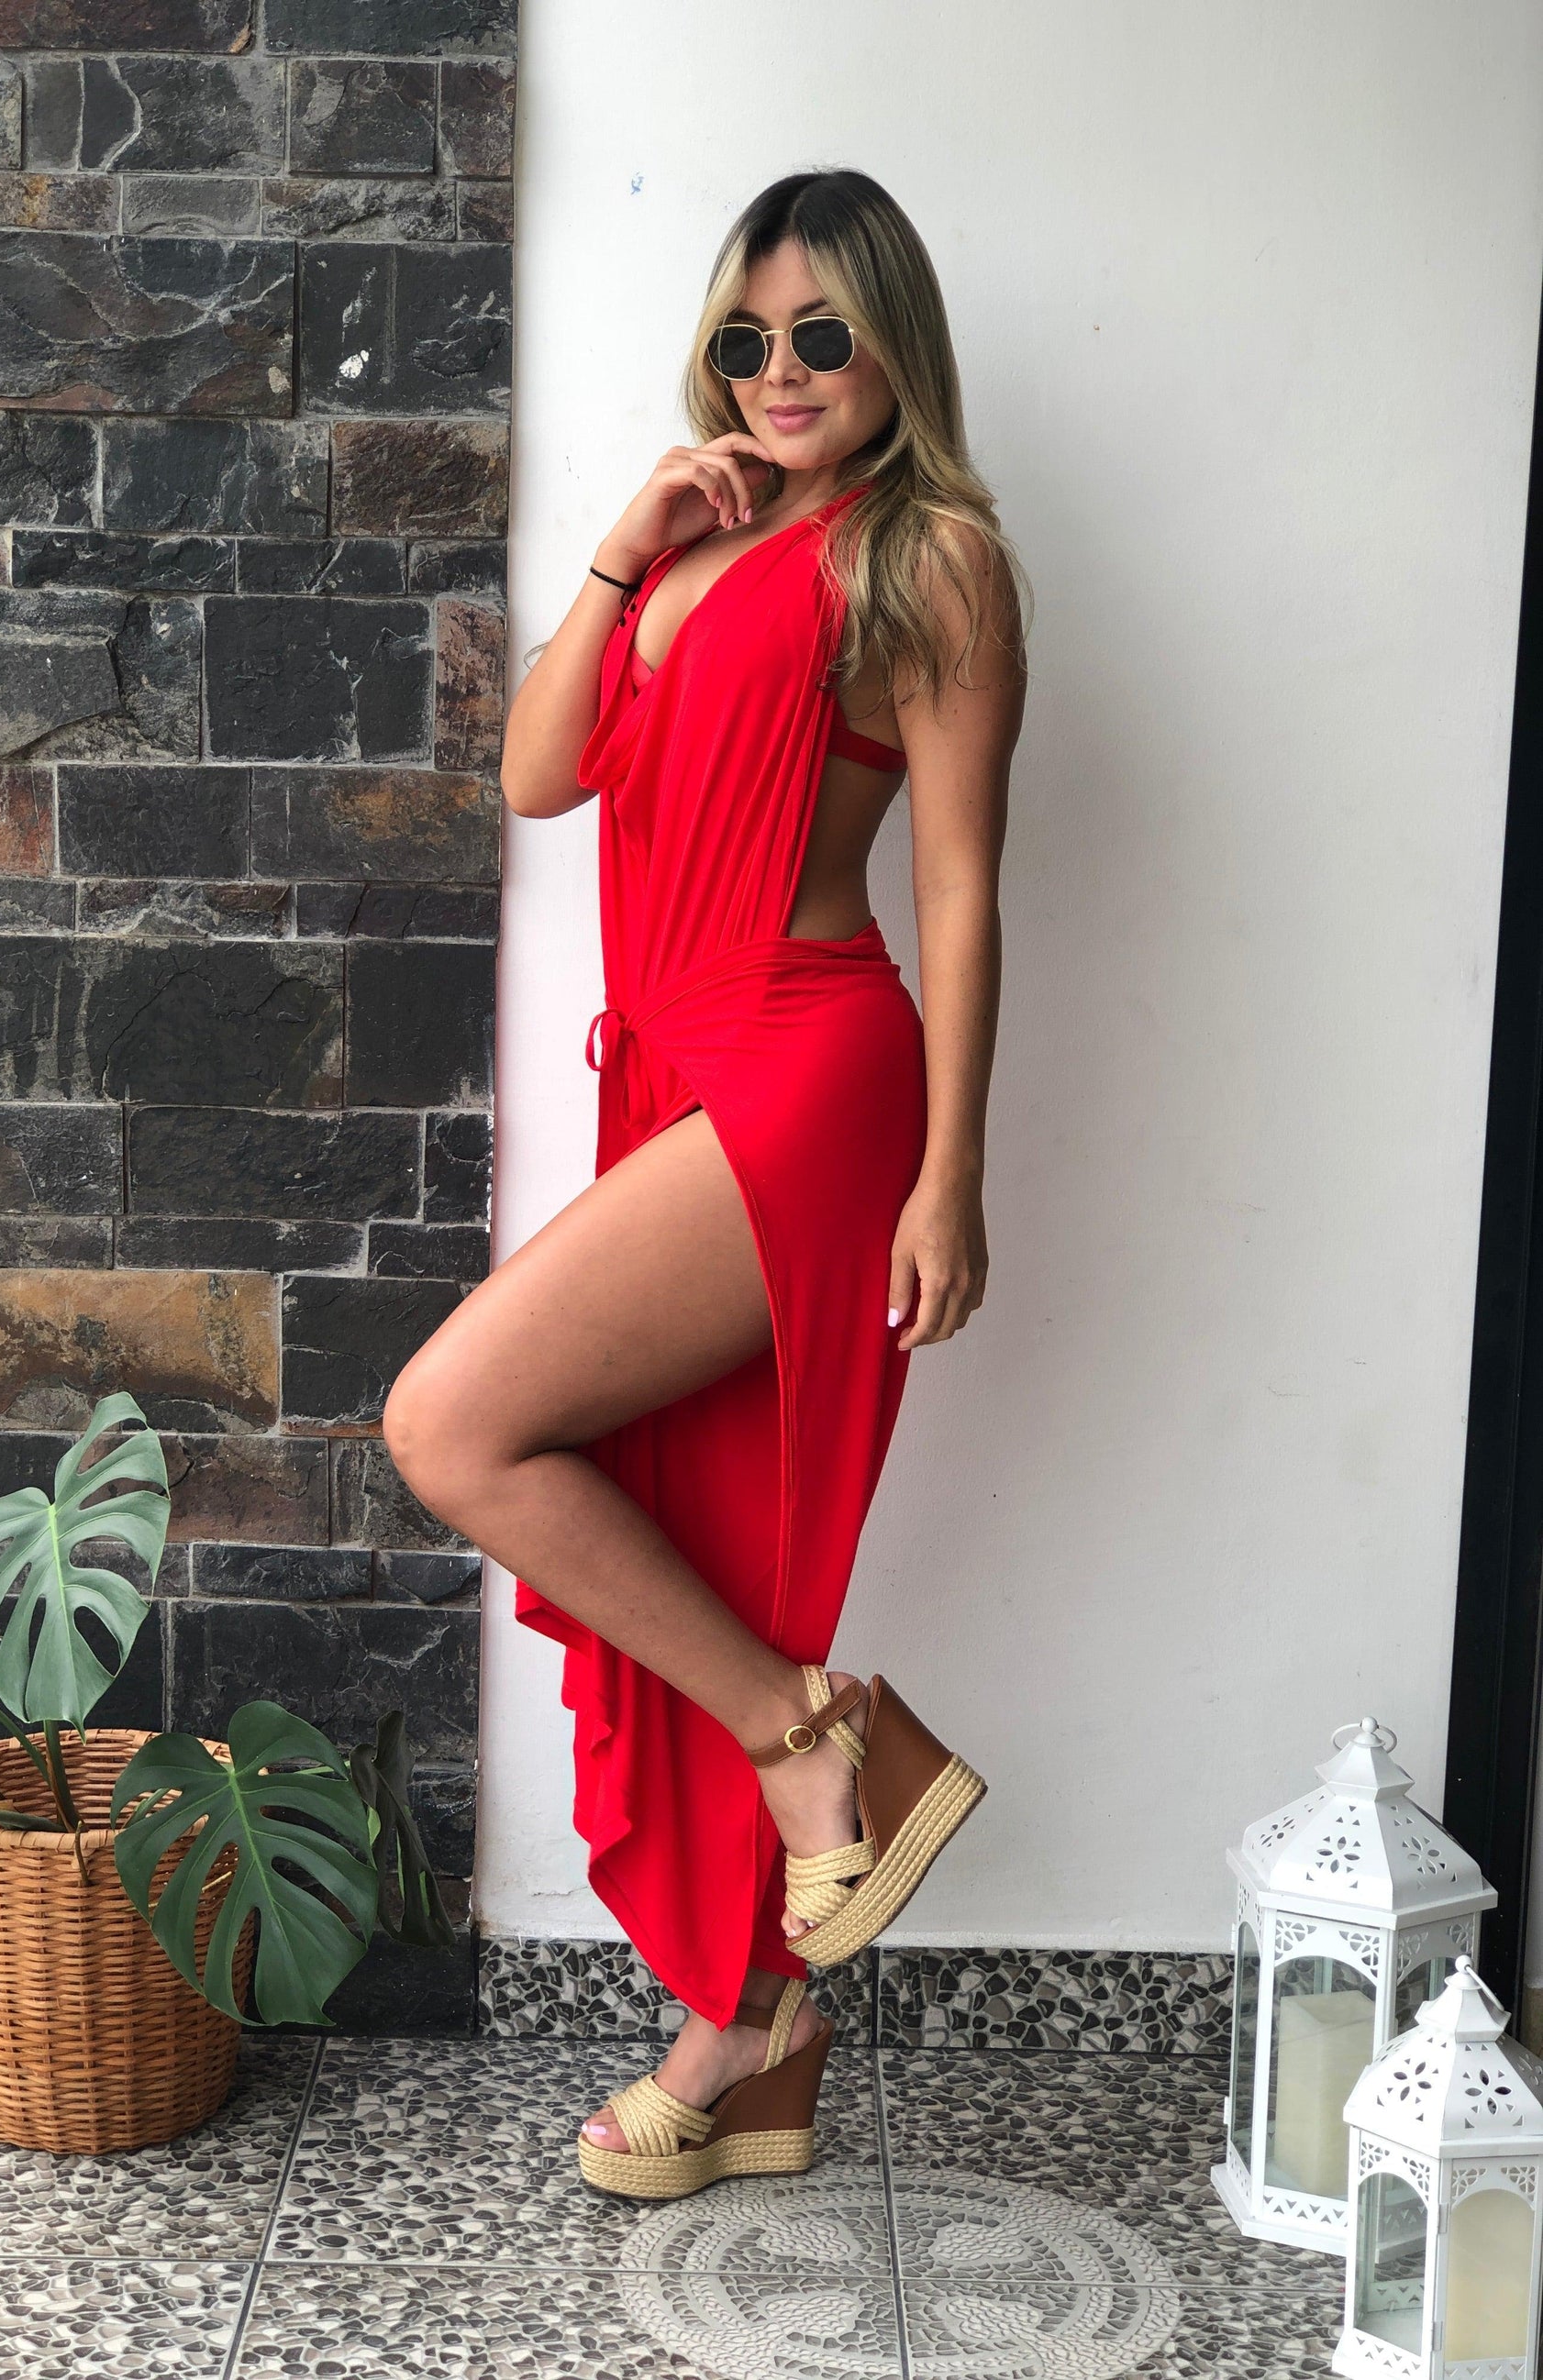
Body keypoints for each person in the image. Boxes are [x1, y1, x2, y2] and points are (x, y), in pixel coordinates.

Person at [383, 166, 1029, 2198]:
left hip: (806, 1071)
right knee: (688, 1535)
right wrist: (621, 546)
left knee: (451, 1422)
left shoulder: (931, 556)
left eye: (822, 334)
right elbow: (535, 775)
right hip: (669, 1079)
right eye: (746, 337)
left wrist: (950, 1175)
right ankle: (752, 2038)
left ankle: (811, 1731)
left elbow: (959, 886)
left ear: (893, 346)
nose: (778, 370)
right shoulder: (700, 535)